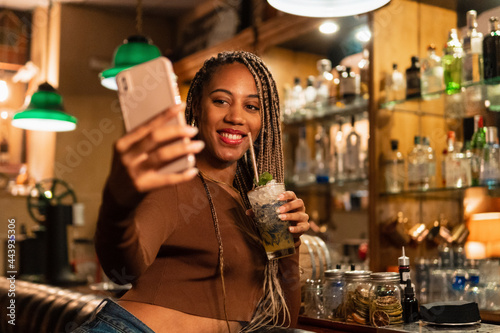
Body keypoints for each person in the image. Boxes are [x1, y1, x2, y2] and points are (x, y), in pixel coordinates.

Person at [73, 51, 310, 333]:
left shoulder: (253, 203)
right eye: (221, 101)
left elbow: (283, 324)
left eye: (252, 106)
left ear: (263, 119)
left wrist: (291, 247)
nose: (236, 116)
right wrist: (118, 200)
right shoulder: (175, 181)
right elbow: (122, 270)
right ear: (197, 105)